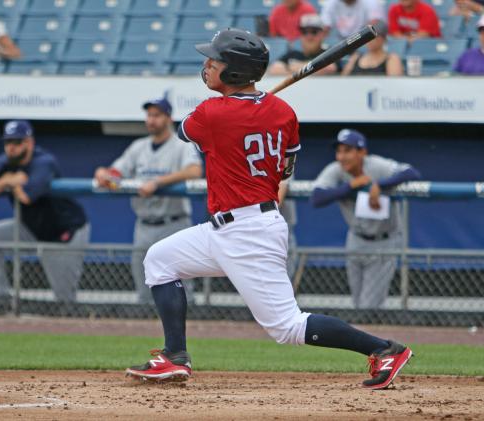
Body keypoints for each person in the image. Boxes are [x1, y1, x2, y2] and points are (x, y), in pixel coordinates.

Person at [124, 28, 413, 390]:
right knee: (160, 260)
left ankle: (385, 349)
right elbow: (284, 171)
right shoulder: (283, 112)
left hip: (248, 231)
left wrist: (240, 110)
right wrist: (255, 109)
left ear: (234, 71)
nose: (207, 65)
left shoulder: (212, 113)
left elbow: (185, 132)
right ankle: (174, 357)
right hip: (226, 226)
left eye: (215, 61)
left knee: (288, 327)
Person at [94, 96, 203, 305]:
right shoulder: (138, 147)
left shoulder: (181, 145)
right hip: (144, 225)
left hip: (174, 224)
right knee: (144, 292)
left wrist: (158, 182)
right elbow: (118, 171)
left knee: (182, 292)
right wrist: (104, 173)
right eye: (149, 115)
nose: (151, 120)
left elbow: (194, 170)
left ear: (168, 119)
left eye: (157, 115)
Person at [0, 120, 90, 305]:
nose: (11, 148)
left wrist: (13, 184)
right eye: (8, 142)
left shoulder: (44, 161)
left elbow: (26, 196)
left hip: (64, 232)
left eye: (17, 142)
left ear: (29, 143)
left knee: (64, 300)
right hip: (30, 228)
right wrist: (6, 181)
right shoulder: (2, 164)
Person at [310, 129, 421, 309]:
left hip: (384, 241)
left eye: (348, 150)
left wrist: (379, 185)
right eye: (339, 151)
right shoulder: (336, 170)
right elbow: (317, 198)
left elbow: (411, 173)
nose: (342, 156)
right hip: (355, 239)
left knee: (368, 306)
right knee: (357, 303)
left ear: (362, 152)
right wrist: (349, 186)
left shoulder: (376, 165)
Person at [267, 14, 342, 76]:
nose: (309, 36)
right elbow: (274, 69)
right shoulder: (293, 54)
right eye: (304, 32)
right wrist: (313, 70)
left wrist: (293, 67)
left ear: (322, 34)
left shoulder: (329, 53)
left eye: (314, 32)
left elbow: (330, 69)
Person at [320, 0, 385, 39]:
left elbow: (376, 25)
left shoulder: (370, 2)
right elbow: (324, 27)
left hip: (362, 40)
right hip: (339, 41)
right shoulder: (331, 3)